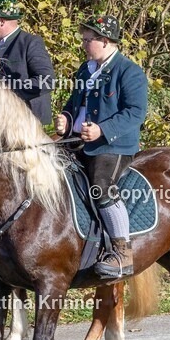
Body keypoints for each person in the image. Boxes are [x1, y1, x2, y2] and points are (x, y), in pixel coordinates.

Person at [55, 16, 148, 279]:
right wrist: (66, 119)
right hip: (75, 142)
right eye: (84, 39)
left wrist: (102, 130)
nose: (84, 44)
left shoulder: (129, 72)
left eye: (88, 40)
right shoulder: (85, 70)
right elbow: (74, 104)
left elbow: (136, 113)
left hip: (113, 146)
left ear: (104, 41)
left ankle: (122, 252)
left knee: (101, 187)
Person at [0, 0, 56, 124]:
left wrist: (6, 93)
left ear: (1, 21)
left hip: (27, 122)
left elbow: (47, 81)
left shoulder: (30, 43)